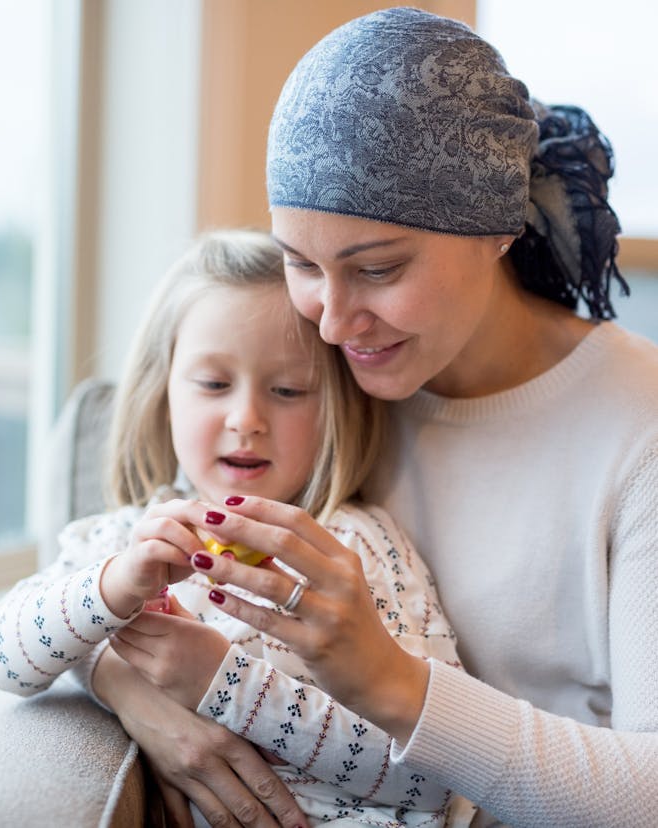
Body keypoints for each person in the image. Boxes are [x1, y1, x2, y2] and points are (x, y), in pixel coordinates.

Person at [124, 7, 658, 828]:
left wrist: (391, 684)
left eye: (376, 268)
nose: (333, 321)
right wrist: (128, 687)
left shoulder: (639, 429)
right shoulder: (316, 387)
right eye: (303, 263)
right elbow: (104, 557)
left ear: (498, 231)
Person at [0, 229, 472, 827]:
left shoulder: (354, 548)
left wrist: (225, 683)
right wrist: (110, 590)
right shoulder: (122, 541)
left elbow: (435, 781)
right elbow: (3, 660)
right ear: (163, 395)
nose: (246, 419)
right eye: (213, 384)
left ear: (338, 405)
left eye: (287, 390)